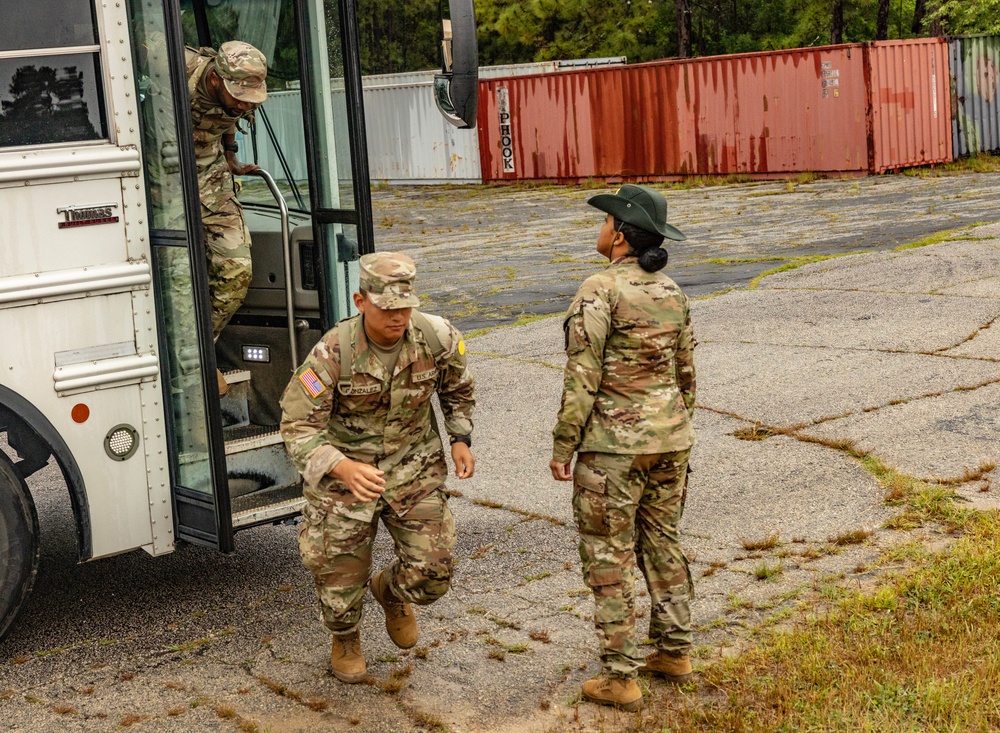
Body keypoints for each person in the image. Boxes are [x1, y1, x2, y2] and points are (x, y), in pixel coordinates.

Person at [280, 252, 476, 684]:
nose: (397, 317)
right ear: (360, 301)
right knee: (335, 576)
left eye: (405, 307)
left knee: (434, 573)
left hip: (413, 468)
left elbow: (458, 389)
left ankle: (389, 591)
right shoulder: (330, 353)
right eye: (387, 308)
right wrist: (341, 467)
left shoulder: (437, 336)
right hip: (344, 478)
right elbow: (297, 426)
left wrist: (460, 438)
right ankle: (345, 636)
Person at [549, 185, 696, 712]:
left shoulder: (600, 290)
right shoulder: (672, 292)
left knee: (608, 554)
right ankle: (674, 652)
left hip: (613, 449)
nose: (599, 228)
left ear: (617, 233)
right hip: (671, 440)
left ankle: (621, 676)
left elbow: (581, 378)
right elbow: (686, 375)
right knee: (662, 541)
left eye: (605, 221)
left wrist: (564, 444)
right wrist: (675, 430)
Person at [185, 40, 268, 395]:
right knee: (175, 272)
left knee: (236, 268)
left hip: (209, 174)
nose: (244, 103)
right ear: (217, 78)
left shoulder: (240, 93)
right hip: (159, 176)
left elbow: (230, 117)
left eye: (251, 97)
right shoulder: (176, 67)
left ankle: (200, 350)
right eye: (238, 95)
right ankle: (185, 361)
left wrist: (231, 155)